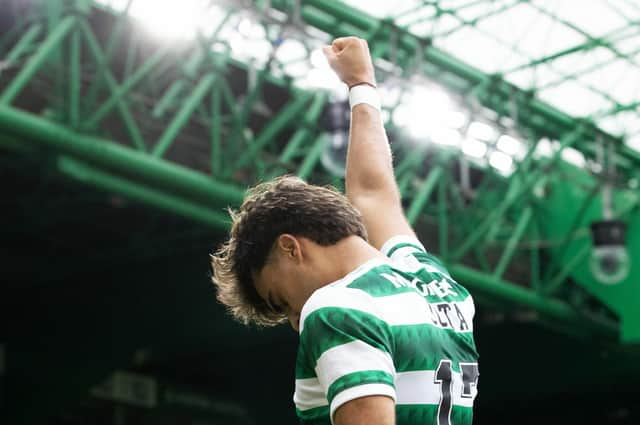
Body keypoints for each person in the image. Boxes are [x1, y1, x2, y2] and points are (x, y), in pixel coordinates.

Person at [211, 36, 479, 425]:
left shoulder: (337, 308)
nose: (293, 319)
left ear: (290, 248)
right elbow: (373, 194)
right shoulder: (431, 281)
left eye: (281, 299)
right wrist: (361, 85)